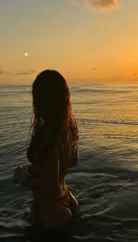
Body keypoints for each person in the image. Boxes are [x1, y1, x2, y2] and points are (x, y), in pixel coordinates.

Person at [13, 70, 79, 229]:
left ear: (39, 99)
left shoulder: (46, 134)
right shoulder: (68, 129)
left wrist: (22, 177)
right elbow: (70, 163)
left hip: (50, 209)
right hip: (68, 199)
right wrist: (34, 169)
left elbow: (49, 188)